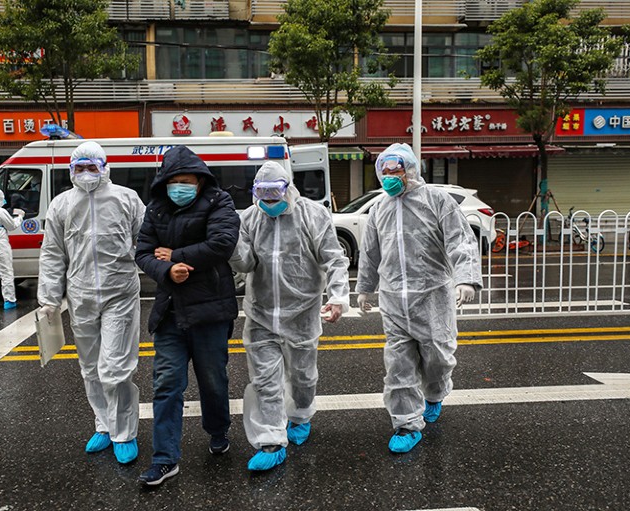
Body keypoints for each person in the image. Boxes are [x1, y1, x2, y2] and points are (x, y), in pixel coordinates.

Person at [356, 143, 482, 454]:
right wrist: (364, 288)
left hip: (432, 298)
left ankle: (436, 392)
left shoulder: (436, 200)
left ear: (410, 169)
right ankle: (406, 423)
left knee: (438, 358)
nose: (389, 176)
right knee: (398, 366)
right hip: (394, 301)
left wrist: (465, 278)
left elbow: (460, 240)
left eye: (395, 170)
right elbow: (370, 254)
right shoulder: (378, 210)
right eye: (383, 171)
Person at [230, 161, 350, 472]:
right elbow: (244, 264)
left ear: (289, 188)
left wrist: (337, 297)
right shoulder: (250, 218)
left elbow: (333, 259)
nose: (269, 201)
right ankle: (271, 440)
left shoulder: (313, 215)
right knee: (265, 381)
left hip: (303, 313)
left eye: (275, 193)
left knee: (303, 376)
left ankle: (301, 414)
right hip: (261, 314)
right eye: (262, 195)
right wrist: (231, 246)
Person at [135, 145, 240, 486]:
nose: (180, 186)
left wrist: (178, 256)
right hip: (170, 311)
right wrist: (166, 270)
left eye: (187, 180)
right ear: (164, 182)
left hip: (210, 308)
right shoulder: (157, 208)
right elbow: (143, 252)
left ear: (199, 180)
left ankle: (218, 428)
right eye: (173, 181)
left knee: (213, 380)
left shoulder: (219, 201)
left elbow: (223, 243)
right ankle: (165, 458)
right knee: (166, 384)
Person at [37, 141, 146, 464]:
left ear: (104, 167)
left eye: (92, 167)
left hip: (120, 294)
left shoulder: (126, 199)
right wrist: (49, 298)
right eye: (79, 167)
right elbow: (53, 253)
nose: (86, 173)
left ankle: (124, 432)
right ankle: (104, 424)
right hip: (81, 294)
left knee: (115, 367)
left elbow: (148, 240)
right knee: (90, 367)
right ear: (71, 171)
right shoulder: (61, 205)